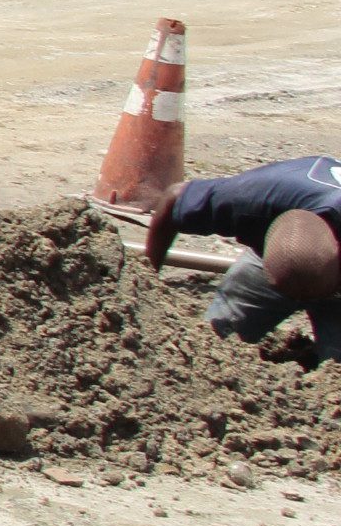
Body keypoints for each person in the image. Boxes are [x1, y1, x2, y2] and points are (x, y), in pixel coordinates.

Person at [144, 157, 341, 368]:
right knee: (210, 352)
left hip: (330, 278)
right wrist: (146, 282)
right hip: (277, 253)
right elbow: (174, 197)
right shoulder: (254, 198)